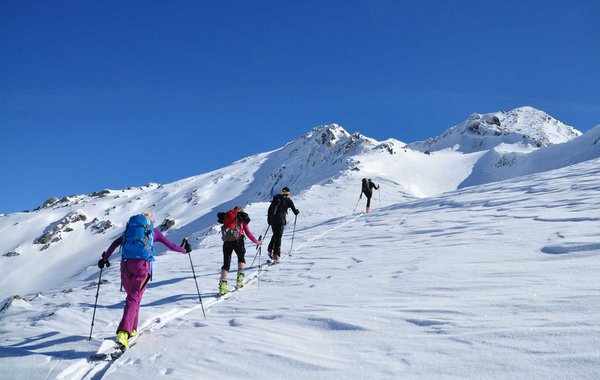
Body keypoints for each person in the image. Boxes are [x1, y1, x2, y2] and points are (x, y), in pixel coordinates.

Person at [97, 211, 191, 349]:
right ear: (150, 221)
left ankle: (132, 328)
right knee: (133, 299)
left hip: (126, 266)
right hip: (142, 267)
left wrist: (104, 259)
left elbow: (114, 244)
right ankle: (123, 332)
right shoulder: (153, 232)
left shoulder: (129, 232)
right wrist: (185, 251)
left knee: (134, 298)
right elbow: (171, 245)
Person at [218, 206, 262, 296]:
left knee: (226, 264)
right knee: (241, 259)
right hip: (238, 241)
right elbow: (248, 233)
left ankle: (222, 287)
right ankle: (239, 281)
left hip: (226, 242)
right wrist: (257, 241)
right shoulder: (241, 218)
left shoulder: (227, 217)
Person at [267, 187, 299, 263]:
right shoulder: (288, 200)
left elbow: (270, 209)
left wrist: (269, 220)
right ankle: (276, 255)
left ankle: (270, 248)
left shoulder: (276, 199)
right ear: (288, 193)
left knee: (275, 234)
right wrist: (297, 212)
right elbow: (295, 211)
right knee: (279, 237)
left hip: (273, 220)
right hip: (280, 220)